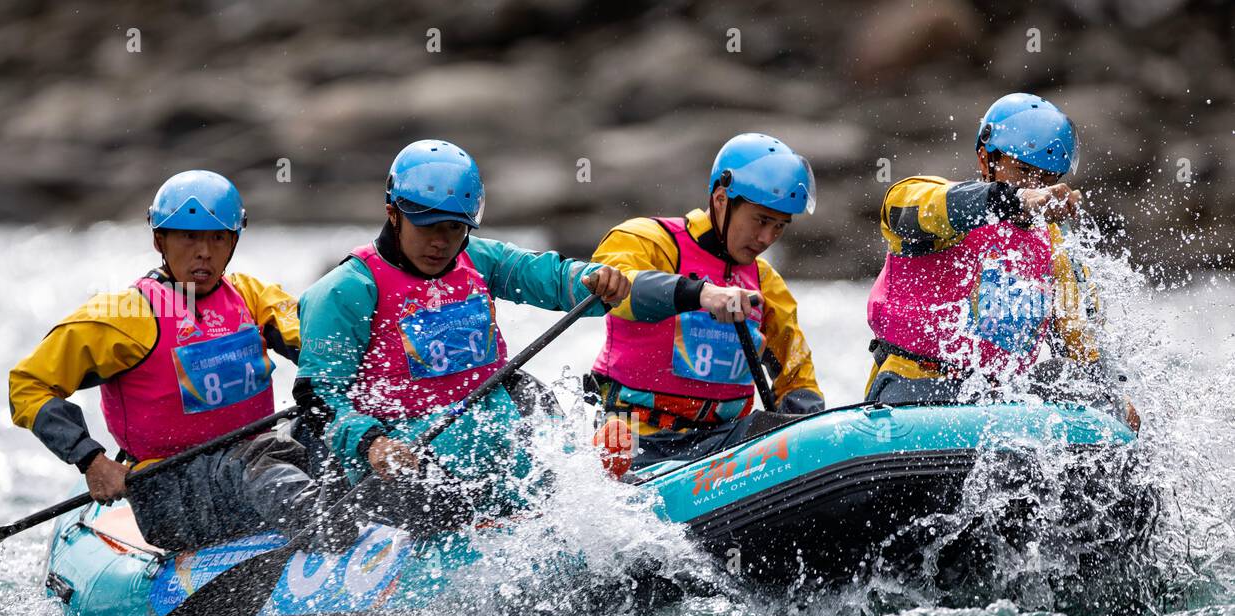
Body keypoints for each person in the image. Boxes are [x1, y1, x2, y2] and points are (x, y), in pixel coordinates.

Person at [295, 139, 632, 525]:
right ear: (393, 213)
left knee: (526, 392)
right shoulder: (345, 290)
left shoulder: (478, 258)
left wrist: (591, 279)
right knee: (447, 502)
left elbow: (547, 276)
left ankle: (583, 492)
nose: (441, 242)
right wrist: (372, 443)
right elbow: (319, 397)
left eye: (454, 228)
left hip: (488, 431)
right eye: (427, 226)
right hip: (401, 453)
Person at [9, 170, 319, 551]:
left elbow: (319, 349)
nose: (204, 251)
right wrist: (92, 460)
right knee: (254, 462)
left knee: (326, 428)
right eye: (189, 236)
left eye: (217, 237)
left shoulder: (252, 297)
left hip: (258, 471)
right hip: (169, 495)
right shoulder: (124, 315)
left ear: (233, 241)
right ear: (160, 239)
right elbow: (27, 385)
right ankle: (326, 531)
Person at [864, 92, 1133, 426]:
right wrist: (1014, 201)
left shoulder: (1056, 249)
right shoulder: (942, 207)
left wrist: (1113, 400)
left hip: (997, 400)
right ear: (985, 159)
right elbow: (904, 208)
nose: (1038, 188)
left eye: (1049, 180)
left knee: (1078, 385)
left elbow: (1083, 345)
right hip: (913, 388)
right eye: (1023, 171)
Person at [585, 132, 825, 471]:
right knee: (616, 444)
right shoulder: (648, 241)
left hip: (722, 443)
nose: (767, 238)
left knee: (771, 430)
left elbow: (797, 375)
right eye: (761, 220)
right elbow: (614, 292)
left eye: (780, 227)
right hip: (635, 437)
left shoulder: (765, 281)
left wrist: (812, 432)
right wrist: (700, 294)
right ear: (722, 199)